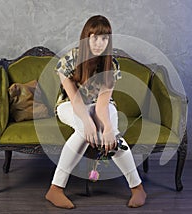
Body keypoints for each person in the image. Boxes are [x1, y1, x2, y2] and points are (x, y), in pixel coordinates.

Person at [45, 15, 146, 209]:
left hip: (101, 105)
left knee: (112, 136)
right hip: (70, 104)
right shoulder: (69, 59)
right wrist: (88, 122)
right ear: (86, 37)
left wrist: (107, 127)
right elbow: (74, 98)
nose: (99, 43)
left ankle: (138, 188)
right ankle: (55, 189)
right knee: (85, 130)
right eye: (95, 37)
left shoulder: (111, 64)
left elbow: (102, 103)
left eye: (104, 38)